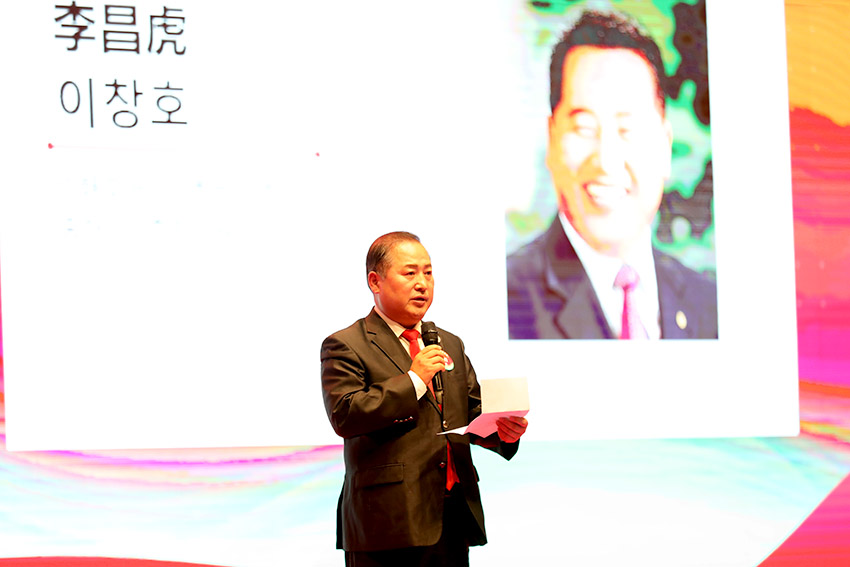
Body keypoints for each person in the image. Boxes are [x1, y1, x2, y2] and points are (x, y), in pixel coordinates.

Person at [506, 10, 718, 340]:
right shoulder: (509, 298)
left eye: (627, 129)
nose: (605, 161)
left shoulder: (709, 304)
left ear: (665, 146)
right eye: (584, 128)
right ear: (552, 140)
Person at [321, 231, 528, 566]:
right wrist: (414, 380)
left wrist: (502, 430)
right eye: (410, 273)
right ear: (375, 281)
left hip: (451, 517)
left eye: (428, 273)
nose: (422, 283)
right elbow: (345, 414)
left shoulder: (448, 342)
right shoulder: (346, 344)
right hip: (386, 523)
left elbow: (470, 413)